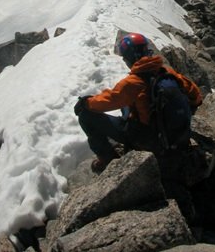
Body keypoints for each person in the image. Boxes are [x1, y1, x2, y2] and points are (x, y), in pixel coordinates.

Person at [74, 32, 203, 173]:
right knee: (127, 104)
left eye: (125, 59)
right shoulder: (167, 73)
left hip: (148, 141)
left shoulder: (133, 83)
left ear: (130, 59)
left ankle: (107, 159)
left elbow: (108, 100)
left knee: (86, 117)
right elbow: (196, 96)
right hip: (178, 138)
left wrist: (85, 103)